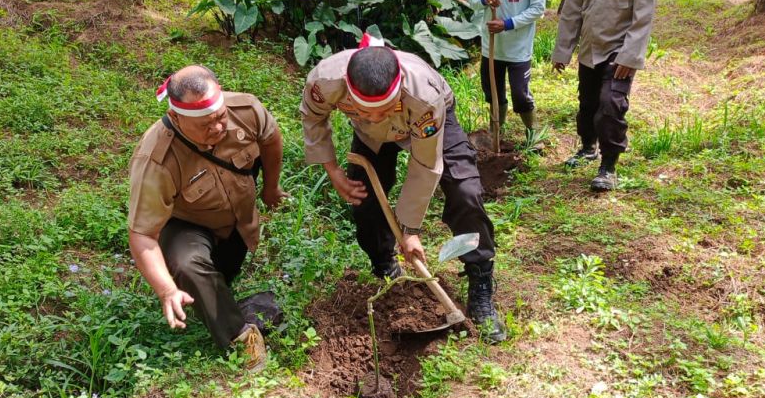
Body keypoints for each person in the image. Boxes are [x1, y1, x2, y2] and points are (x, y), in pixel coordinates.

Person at [300, 36, 506, 343]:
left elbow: (424, 164)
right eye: (364, 110)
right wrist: (333, 171)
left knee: (465, 190)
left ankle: (480, 279)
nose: (374, 115)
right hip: (371, 138)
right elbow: (313, 118)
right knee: (365, 200)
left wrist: (409, 230)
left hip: (429, 121)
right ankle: (385, 267)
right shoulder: (325, 81)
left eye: (383, 109)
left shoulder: (424, 97)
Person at [127, 65, 287, 371]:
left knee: (220, 279)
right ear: (176, 118)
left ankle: (214, 290)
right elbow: (142, 235)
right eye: (205, 124)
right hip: (187, 223)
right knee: (190, 266)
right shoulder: (156, 160)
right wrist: (167, 290)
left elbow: (271, 139)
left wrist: (270, 188)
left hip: (237, 221)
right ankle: (241, 340)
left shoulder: (245, 108)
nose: (217, 128)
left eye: (220, 117)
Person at [551, 0, 660, 191]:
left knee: (610, 104)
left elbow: (644, 13)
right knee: (587, 103)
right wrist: (563, 50)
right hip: (591, 46)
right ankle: (588, 147)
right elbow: (572, 8)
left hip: (620, 47)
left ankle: (608, 166)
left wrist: (630, 55)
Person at [467, 0, 546, 150]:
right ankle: (495, 135)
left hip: (518, 46)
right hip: (491, 47)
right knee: (493, 93)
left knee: (521, 95)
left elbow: (538, 8)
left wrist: (507, 24)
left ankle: (532, 134)